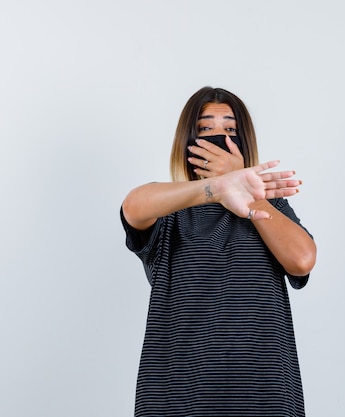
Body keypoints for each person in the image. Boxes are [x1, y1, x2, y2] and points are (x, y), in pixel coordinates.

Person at [120, 86, 317, 416]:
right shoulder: (171, 210)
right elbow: (134, 205)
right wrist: (216, 188)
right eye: (205, 128)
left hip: (263, 391)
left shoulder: (270, 206)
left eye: (230, 129)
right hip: (177, 391)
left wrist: (247, 191)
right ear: (187, 141)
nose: (218, 137)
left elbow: (302, 260)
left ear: (244, 143)